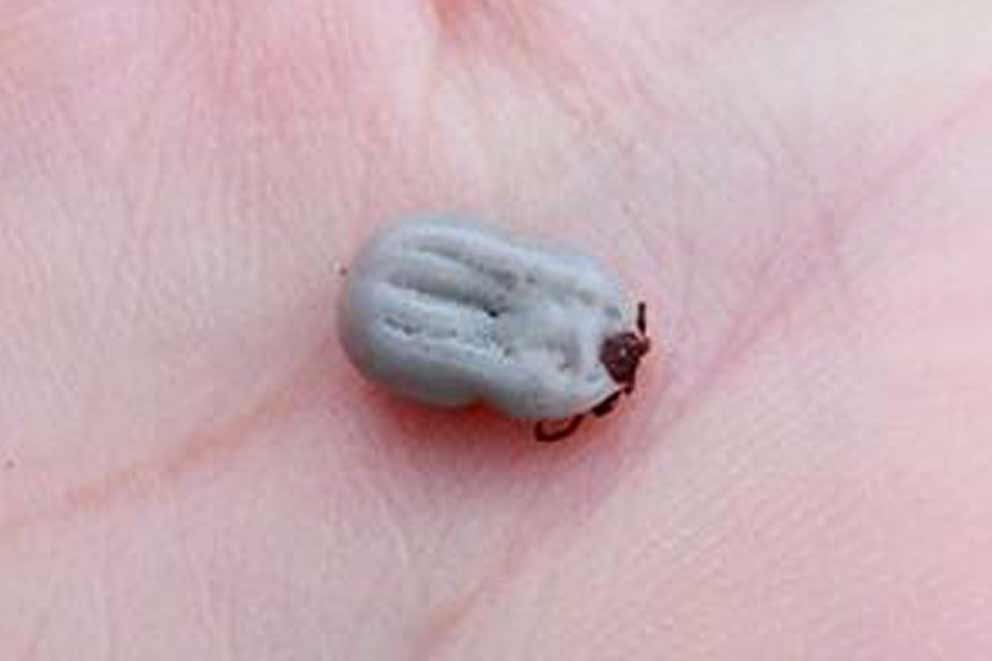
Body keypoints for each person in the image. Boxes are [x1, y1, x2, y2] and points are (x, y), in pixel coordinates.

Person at [2, 2, 990, 658]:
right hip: (418, 316)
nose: (625, 355)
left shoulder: (580, 330)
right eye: (625, 349)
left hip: (418, 315)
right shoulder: (577, 347)